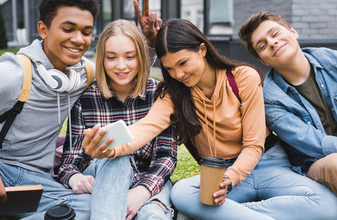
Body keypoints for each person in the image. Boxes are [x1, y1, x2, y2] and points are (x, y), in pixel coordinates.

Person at [83, 18, 337, 220]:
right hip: (218, 171)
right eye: (170, 68)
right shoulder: (174, 95)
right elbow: (143, 129)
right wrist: (111, 145)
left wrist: (231, 178)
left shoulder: (243, 77)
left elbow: (254, 144)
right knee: (183, 194)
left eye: (183, 63)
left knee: (327, 207)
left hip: (269, 164)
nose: (178, 73)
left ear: (202, 49)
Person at [0, 0, 155, 220]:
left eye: (86, 31)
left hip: (37, 181)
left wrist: (151, 44)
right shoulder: (16, 72)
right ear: (43, 29)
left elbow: (124, 71)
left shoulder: (84, 73)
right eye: (68, 29)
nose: (78, 39)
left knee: (94, 207)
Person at [58, 19, 177, 220]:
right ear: (102, 60)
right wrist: (74, 177)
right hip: (103, 177)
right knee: (117, 155)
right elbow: (70, 163)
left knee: (152, 214)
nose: (121, 66)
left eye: (130, 57)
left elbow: (165, 157)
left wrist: (142, 192)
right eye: (111, 57)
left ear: (141, 56)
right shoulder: (86, 100)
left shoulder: (158, 95)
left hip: (149, 180)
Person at [238, 11, 337, 196]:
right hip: (317, 163)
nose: (272, 42)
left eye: (275, 34)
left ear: (293, 32)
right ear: (263, 60)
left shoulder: (331, 59)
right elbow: (313, 143)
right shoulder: (269, 99)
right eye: (262, 45)